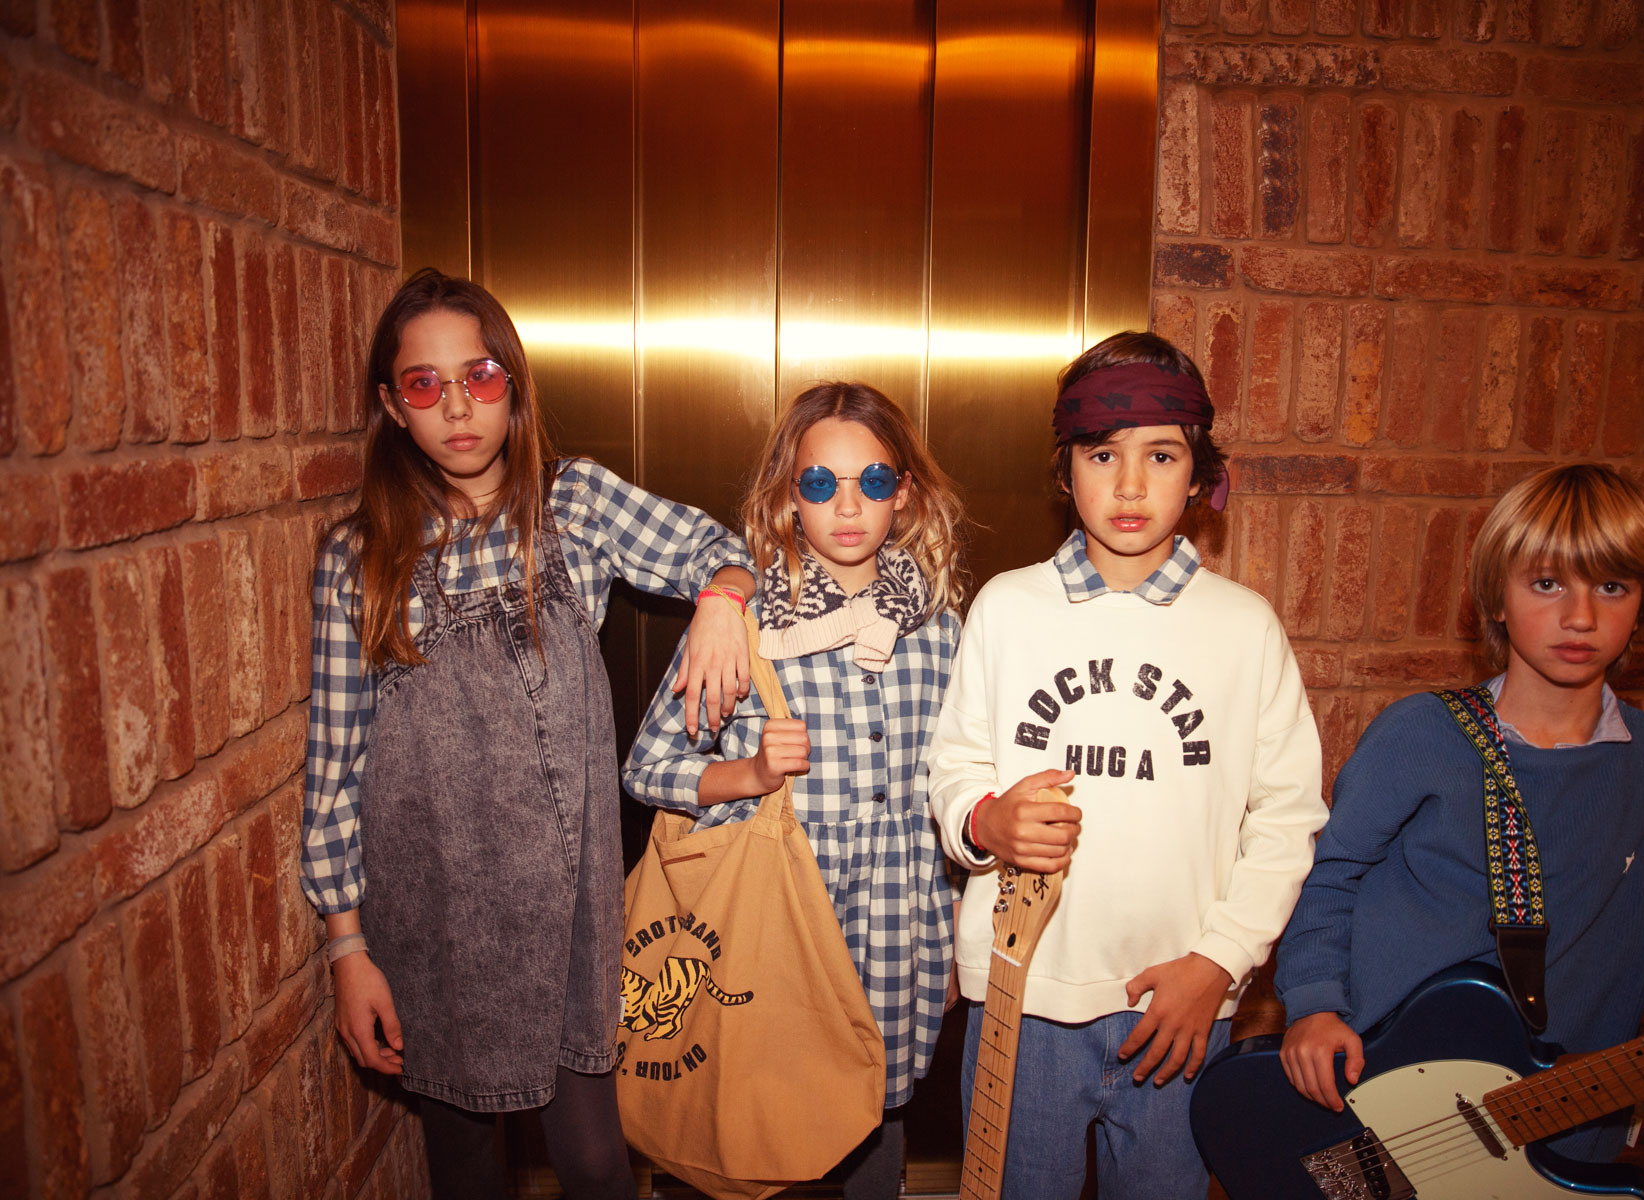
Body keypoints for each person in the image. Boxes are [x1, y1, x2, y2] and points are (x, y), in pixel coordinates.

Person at [302, 268, 758, 1200]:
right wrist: (348, 949)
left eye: (479, 376)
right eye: (424, 384)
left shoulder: (574, 505)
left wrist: (721, 600)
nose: (456, 406)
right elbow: (336, 768)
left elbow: (719, 548)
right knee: (466, 1166)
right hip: (434, 917)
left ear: (513, 385)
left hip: (569, 912)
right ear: (392, 407)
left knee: (594, 1163)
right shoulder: (358, 557)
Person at [1275, 462, 1644, 1163]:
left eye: (1612, 586)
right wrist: (1314, 1004)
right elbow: (1328, 879)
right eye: (1547, 584)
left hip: (1566, 1127)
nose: (1580, 617)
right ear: (1496, 598)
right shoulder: (1418, 735)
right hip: (1386, 1106)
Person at [924, 331, 1329, 1200]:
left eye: (1161, 455)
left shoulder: (1243, 627)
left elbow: (1288, 816)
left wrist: (1220, 963)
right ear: (1066, 471)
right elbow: (954, 764)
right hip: (1025, 996)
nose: (1132, 484)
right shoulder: (1008, 608)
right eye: (1103, 454)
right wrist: (984, 820)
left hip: (1179, 1007)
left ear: (1200, 475)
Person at [624, 381, 968, 1200]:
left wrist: (956, 921)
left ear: (904, 493)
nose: (847, 506)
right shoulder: (741, 627)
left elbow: (951, 789)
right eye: (820, 483)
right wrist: (749, 774)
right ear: (788, 496)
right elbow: (646, 766)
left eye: (872, 481)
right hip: (772, 928)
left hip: (894, 931)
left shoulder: (940, 630)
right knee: (756, 1122)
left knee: (875, 1121)